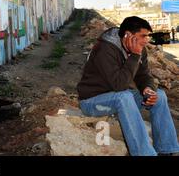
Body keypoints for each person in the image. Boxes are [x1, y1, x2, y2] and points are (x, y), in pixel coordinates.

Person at [77, 16, 179, 156]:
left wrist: (147, 89)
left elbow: (144, 76)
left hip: (118, 98)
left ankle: (167, 149)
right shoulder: (105, 49)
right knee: (124, 96)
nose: (146, 40)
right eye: (143, 36)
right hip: (92, 102)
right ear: (128, 35)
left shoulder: (139, 49)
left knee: (159, 95)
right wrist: (135, 55)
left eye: (147, 36)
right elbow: (119, 85)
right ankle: (144, 153)